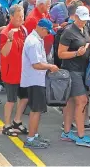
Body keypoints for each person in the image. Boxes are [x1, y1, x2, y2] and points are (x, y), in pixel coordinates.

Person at [59, 6, 90, 148]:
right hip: (72, 70)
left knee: (70, 102)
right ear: (75, 17)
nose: (83, 22)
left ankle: (67, 132)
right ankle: (81, 135)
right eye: (81, 19)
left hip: (81, 71)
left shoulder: (84, 29)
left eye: (85, 20)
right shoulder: (68, 32)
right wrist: (77, 53)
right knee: (82, 101)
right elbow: (60, 54)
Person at [21, 19, 59, 148]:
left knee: (37, 110)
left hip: (36, 80)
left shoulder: (36, 39)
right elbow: (36, 64)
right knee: (36, 110)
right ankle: (31, 138)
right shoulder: (33, 42)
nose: (48, 34)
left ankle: (34, 135)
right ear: (41, 28)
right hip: (34, 80)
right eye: (47, 31)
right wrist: (50, 67)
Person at [0, 5, 29, 136]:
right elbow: (4, 53)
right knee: (11, 99)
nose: (21, 19)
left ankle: (17, 120)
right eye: (18, 17)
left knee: (24, 97)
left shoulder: (23, 29)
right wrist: (10, 40)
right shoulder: (5, 33)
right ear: (11, 17)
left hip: (23, 71)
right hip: (11, 71)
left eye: (22, 16)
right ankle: (6, 125)